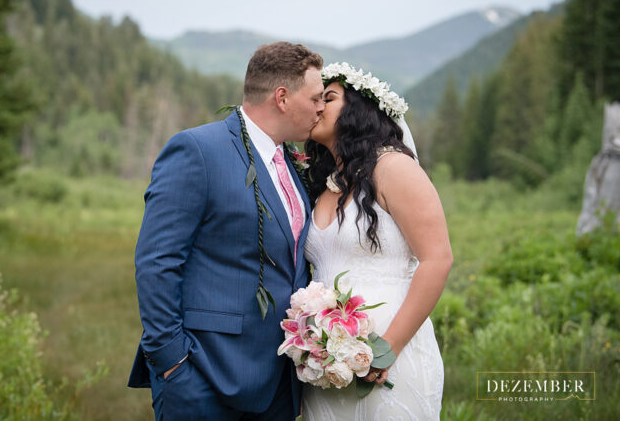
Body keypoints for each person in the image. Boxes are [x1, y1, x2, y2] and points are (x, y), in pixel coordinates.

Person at [128, 42, 324, 420]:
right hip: (206, 377)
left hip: (279, 386)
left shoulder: (291, 164)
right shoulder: (198, 150)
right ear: (282, 97)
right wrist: (174, 365)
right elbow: (157, 262)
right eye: (315, 97)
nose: (321, 107)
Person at [300, 62, 452, 419]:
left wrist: (387, 349)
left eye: (329, 97)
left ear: (359, 109)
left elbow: (437, 260)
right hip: (325, 362)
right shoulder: (325, 183)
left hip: (389, 351)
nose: (317, 106)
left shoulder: (392, 167)